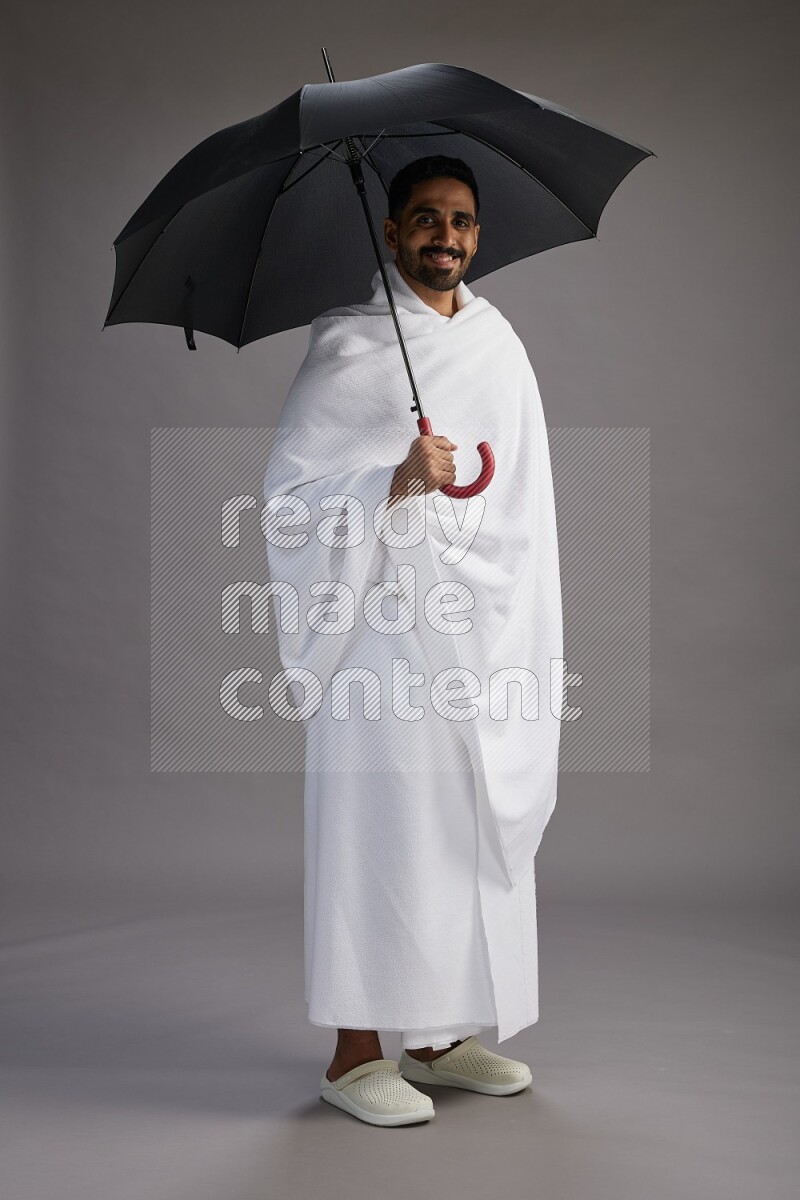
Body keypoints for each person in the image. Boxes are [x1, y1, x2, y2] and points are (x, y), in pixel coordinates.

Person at [262, 155, 563, 1126]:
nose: (446, 236)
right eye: (425, 219)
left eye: (462, 221)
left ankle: (433, 1037)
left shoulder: (496, 343)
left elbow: (524, 501)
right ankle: (354, 1054)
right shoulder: (350, 349)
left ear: (477, 236)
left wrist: (496, 592)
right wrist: (388, 479)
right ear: (389, 233)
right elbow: (290, 508)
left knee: (454, 832)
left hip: (476, 631)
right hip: (377, 638)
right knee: (381, 832)